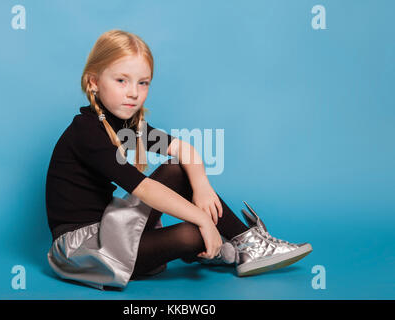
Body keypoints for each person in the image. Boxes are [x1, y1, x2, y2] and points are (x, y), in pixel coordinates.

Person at [45, 29, 312, 291]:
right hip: (84, 249)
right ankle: (222, 244)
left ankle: (246, 243)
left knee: (178, 169)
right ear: (93, 82)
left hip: (111, 226)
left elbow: (183, 149)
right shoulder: (87, 132)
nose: (133, 93)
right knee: (193, 232)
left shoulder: (124, 126)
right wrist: (203, 219)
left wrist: (202, 187)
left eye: (143, 82)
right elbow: (145, 189)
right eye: (121, 81)